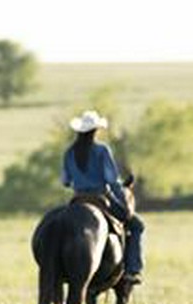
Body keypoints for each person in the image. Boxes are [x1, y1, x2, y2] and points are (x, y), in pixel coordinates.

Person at [60, 109, 145, 284]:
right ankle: (132, 270)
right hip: (100, 198)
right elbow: (112, 181)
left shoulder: (69, 152)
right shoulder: (102, 150)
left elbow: (65, 181)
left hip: (77, 199)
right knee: (136, 225)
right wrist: (122, 195)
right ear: (95, 131)